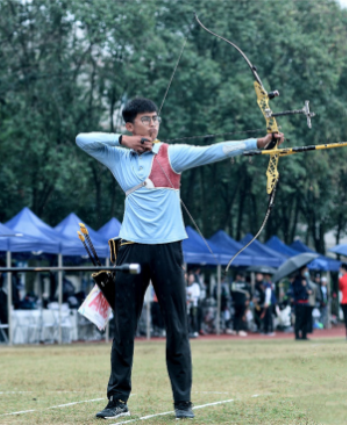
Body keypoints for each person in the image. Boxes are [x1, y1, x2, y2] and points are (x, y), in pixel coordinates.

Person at [76, 97, 284, 420]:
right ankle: (118, 400)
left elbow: (215, 151)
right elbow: (81, 140)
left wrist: (257, 143)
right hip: (131, 247)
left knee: (177, 325)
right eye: (146, 120)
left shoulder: (171, 154)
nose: (154, 124)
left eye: (156, 118)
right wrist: (123, 141)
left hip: (169, 249)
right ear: (130, 125)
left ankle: (182, 402)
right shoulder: (119, 157)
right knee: (125, 325)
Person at [292, 267, 312, 340]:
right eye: (306, 270)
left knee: (305, 320)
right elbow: (295, 291)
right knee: (299, 320)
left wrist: (309, 291)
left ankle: (304, 335)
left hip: (306, 303)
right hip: (299, 303)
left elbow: (310, 289)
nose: (307, 271)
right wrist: (302, 286)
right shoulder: (297, 280)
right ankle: (297, 335)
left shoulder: (306, 280)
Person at [230, 273, 250, 337]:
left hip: (236, 302)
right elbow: (249, 293)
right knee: (241, 316)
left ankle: (235, 329)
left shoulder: (234, 283)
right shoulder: (245, 284)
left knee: (236, 316)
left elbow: (231, 293)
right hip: (242, 302)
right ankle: (240, 330)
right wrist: (247, 300)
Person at [185, 273, 200, 338]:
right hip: (187, 305)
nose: (190, 278)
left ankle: (195, 331)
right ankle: (189, 331)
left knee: (194, 318)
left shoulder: (196, 286)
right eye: (189, 277)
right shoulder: (185, 286)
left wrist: (191, 297)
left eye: (192, 277)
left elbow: (197, 294)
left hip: (194, 305)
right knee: (187, 318)